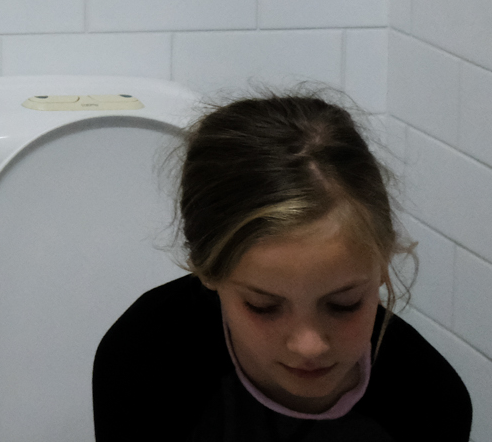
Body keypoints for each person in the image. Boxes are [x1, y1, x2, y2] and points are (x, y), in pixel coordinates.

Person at [94, 92, 471, 440]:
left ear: (384, 262)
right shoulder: (144, 360)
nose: (309, 345)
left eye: (344, 304)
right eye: (264, 307)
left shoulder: (429, 400)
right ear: (205, 271)